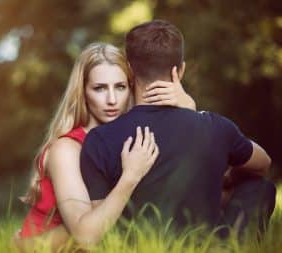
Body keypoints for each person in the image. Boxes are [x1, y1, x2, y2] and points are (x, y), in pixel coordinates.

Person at [80, 20, 276, 238]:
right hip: (209, 244)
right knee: (259, 187)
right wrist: (228, 178)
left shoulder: (98, 139)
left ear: (129, 70)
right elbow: (263, 163)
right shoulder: (216, 127)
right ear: (180, 70)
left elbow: (98, 231)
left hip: (135, 244)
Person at [14, 42, 196, 251]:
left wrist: (188, 108)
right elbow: (84, 236)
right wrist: (26, 247)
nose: (111, 100)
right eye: (99, 88)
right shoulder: (66, 149)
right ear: (83, 92)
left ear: (131, 87)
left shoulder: (135, 137)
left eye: (120, 87)